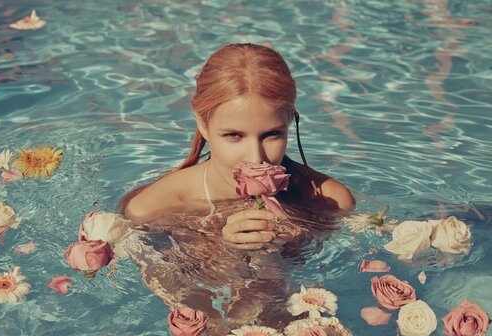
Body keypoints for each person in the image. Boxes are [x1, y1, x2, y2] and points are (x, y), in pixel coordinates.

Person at [118, 42, 355, 248]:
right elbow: (180, 297)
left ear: (289, 120)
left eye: (272, 134)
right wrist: (227, 253)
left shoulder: (330, 201)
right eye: (234, 135)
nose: (255, 158)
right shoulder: (150, 210)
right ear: (202, 123)